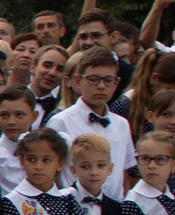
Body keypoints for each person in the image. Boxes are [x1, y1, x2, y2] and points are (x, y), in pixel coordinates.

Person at [51, 48, 134, 198]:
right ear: (77, 80)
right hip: (74, 206)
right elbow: (53, 173)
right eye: (94, 79)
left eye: (108, 80)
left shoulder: (122, 124)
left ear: (116, 83)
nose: (101, 86)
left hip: (112, 210)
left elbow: (124, 172)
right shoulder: (60, 122)